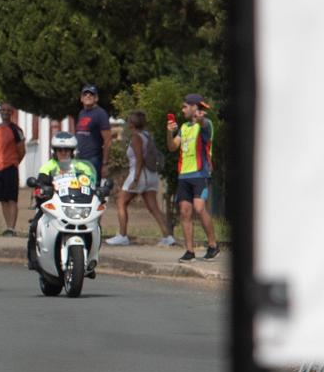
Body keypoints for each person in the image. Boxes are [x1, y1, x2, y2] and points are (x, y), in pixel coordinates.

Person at [28, 130, 98, 268]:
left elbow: (92, 184)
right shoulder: (48, 167)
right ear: (54, 151)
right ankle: (33, 259)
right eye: (60, 150)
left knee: (95, 225)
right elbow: (40, 184)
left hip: (77, 204)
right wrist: (42, 190)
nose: (64, 152)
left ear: (73, 151)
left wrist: (99, 191)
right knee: (35, 225)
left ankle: (91, 258)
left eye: (67, 150)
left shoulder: (83, 167)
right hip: (54, 204)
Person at [108, 110, 175, 247]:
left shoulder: (136, 138)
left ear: (132, 124)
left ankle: (122, 235)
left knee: (120, 202)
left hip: (139, 174)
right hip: (152, 175)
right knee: (153, 207)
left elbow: (139, 159)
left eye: (128, 121)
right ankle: (168, 237)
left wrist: (136, 180)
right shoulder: (147, 135)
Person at [168, 94, 220, 262]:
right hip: (184, 175)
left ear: (193, 107)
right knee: (185, 212)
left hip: (200, 174)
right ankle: (190, 251)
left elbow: (204, 126)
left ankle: (213, 245)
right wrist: (169, 133)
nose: (182, 110)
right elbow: (172, 147)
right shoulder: (183, 127)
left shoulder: (206, 124)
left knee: (199, 207)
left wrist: (200, 120)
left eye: (185, 106)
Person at [0, 111, 28, 237]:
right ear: (0, 112)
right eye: (3, 110)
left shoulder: (16, 130)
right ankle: (7, 226)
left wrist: (14, 162)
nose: (5, 113)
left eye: (7, 110)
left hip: (11, 168)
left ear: (11, 113)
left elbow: (21, 150)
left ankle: (12, 228)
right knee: (2, 199)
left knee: (12, 199)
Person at [71, 85, 115, 184]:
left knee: (92, 191)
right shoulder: (81, 113)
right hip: (79, 159)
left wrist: (105, 163)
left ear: (96, 98)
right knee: (79, 190)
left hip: (93, 160)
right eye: (85, 94)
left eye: (91, 94)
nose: (88, 96)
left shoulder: (101, 114)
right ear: (81, 98)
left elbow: (108, 141)